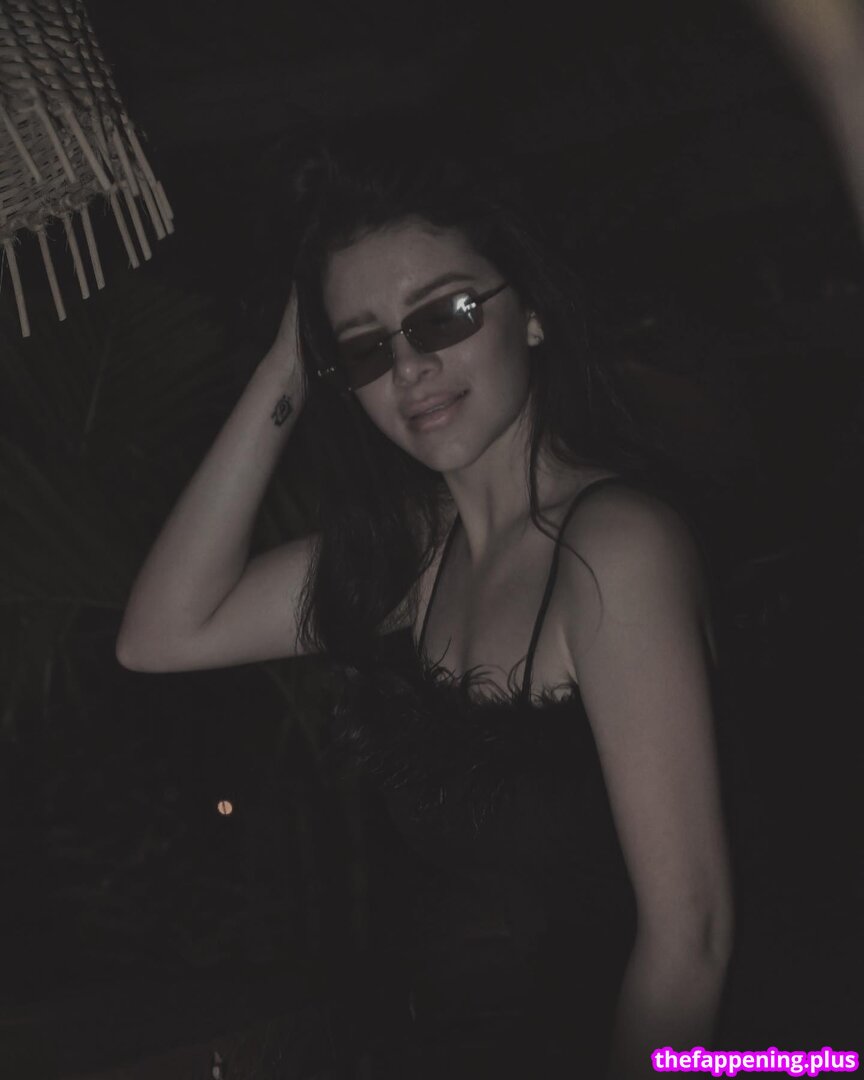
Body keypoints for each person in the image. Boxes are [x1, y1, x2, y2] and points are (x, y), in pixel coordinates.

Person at [116, 136, 733, 1079]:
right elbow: (161, 635)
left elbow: (693, 935)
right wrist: (286, 372)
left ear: (530, 313)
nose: (408, 367)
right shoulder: (411, 557)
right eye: (366, 346)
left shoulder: (617, 545)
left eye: (443, 315)